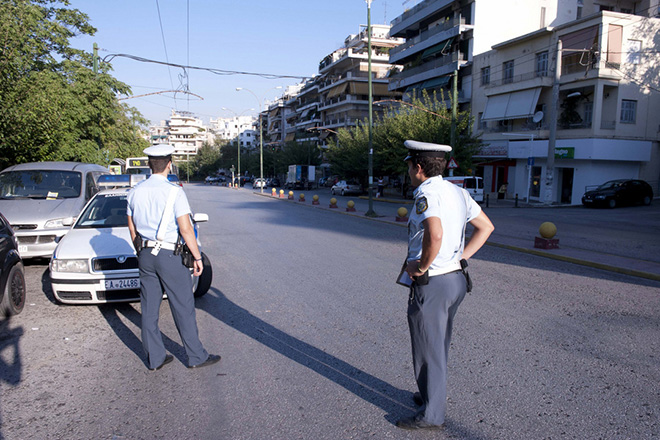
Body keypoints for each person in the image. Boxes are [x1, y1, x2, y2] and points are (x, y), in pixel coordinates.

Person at [397, 140, 494, 430]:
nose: (408, 172)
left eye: (408, 166)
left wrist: (423, 265)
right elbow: (486, 227)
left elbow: (434, 234)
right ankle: (430, 395)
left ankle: (431, 415)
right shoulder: (458, 191)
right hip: (456, 279)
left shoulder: (426, 193)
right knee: (438, 343)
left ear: (418, 167)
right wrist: (460, 257)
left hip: (434, 282)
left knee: (429, 347)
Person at [127, 144, 221, 371]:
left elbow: (131, 228)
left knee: (149, 309)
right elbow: (186, 229)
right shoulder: (174, 191)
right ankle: (196, 356)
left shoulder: (134, 191)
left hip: (146, 254)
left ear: (149, 165)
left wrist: (142, 252)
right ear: (169, 165)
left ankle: (155, 358)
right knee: (183, 305)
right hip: (170, 255)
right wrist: (197, 258)